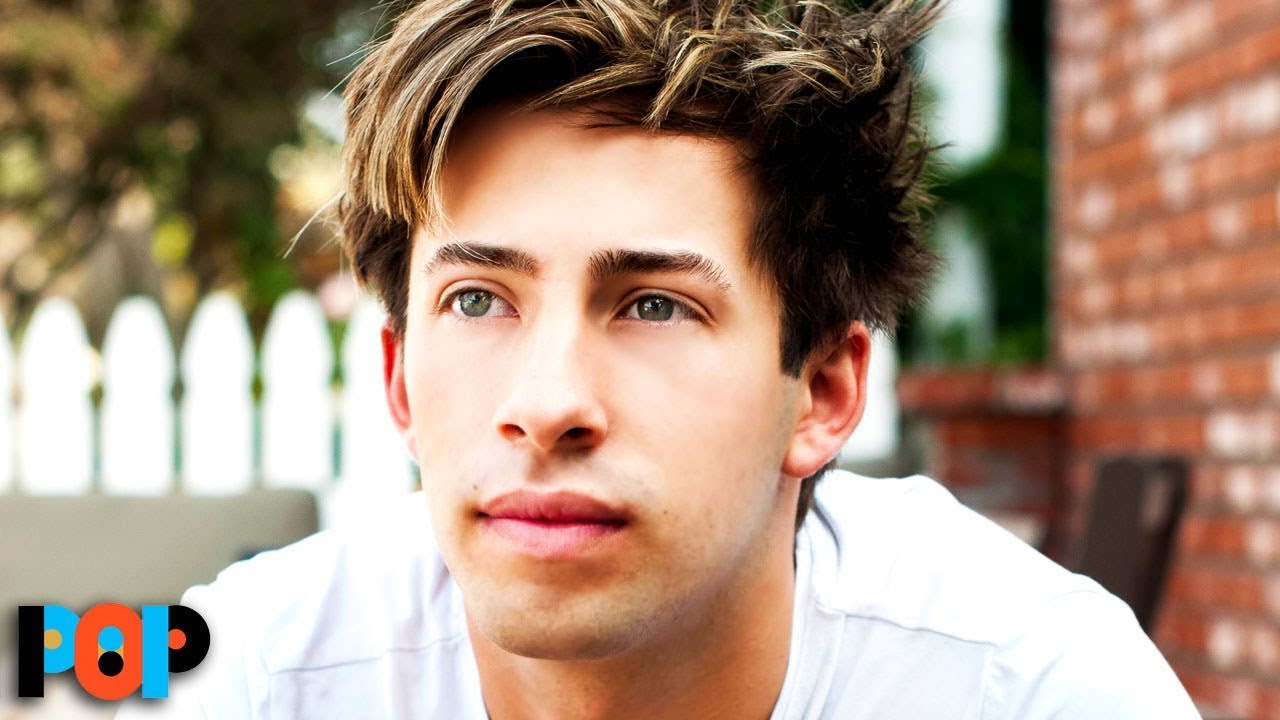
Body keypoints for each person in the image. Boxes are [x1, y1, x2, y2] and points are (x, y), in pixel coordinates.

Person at [121, 0, 1200, 717]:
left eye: (652, 305)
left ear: (822, 393)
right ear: (400, 380)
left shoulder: (1029, 688)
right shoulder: (255, 668)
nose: (547, 403)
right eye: (476, 299)